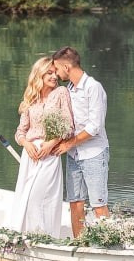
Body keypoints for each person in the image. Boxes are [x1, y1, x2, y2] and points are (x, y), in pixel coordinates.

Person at [8, 56, 75, 239]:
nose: (54, 76)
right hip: (30, 155)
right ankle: (24, 236)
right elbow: (20, 132)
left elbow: (69, 126)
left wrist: (51, 143)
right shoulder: (31, 98)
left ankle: (42, 237)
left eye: (55, 73)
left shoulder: (61, 92)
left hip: (49, 154)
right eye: (49, 73)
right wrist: (26, 144)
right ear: (40, 74)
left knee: (39, 198)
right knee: (25, 197)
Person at [50, 46, 109, 238]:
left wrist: (69, 144)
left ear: (67, 67)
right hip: (74, 155)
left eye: (57, 69)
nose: (56, 74)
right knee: (75, 202)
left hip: (93, 153)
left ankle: (108, 244)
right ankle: (80, 243)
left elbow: (95, 127)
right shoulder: (68, 90)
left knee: (98, 204)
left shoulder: (93, 87)